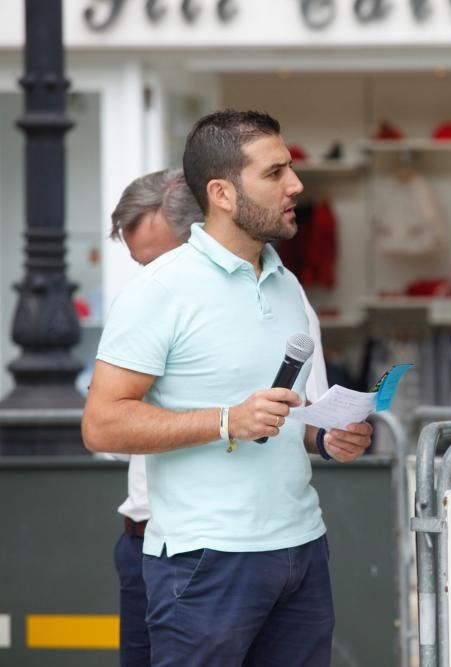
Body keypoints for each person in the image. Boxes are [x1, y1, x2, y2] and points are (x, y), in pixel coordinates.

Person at [82, 110, 373, 666]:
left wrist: (326, 438)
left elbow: (292, 416)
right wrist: (224, 420)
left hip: (302, 548)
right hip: (205, 560)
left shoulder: (286, 282)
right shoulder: (159, 290)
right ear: (221, 192)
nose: (296, 185)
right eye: (276, 173)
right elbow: (101, 424)